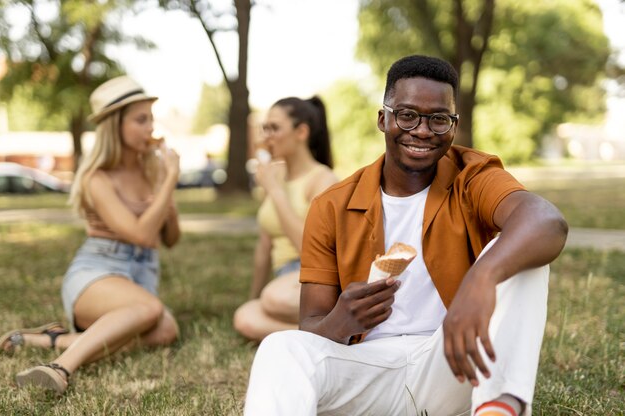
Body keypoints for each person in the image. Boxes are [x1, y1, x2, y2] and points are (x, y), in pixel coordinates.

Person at [243, 55, 568, 415]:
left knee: (523, 255)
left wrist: (481, 278)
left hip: (454, 363)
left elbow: (546, 220)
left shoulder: (472, 175)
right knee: (280, 347)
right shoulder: (332, 205)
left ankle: (497, 407)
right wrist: (341, 320)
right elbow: (311, 326)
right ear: (384, 119)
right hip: (367, 370)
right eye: (408, 115)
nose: (423, 131)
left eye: (438, 119)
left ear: (453, 126)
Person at [0, 76, 181, 395]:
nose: (150, 127)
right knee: (151, 310)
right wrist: (169, 183)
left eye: (151, 118)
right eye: (141, 120)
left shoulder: (153, 170)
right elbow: (139, 234)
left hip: (139, 280)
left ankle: (48, 339)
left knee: (167, 329)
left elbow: (171, 238)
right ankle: (59, 367)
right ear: (115, 125)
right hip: (96, 273)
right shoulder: (97, 178)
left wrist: (166, 186)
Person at [233, 96, 338, 342]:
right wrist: (255, 297)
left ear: (301, 132)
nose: (267, 135)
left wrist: (277, 193)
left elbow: (312, 251)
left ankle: (328, 326)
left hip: (317, 279)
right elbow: (264, 246)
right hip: (284, 282)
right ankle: (326, 333)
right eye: (265, 127)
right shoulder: (274, 175)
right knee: (245, 316)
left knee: (274, 298)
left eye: (275, 128)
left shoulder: (323, 180)